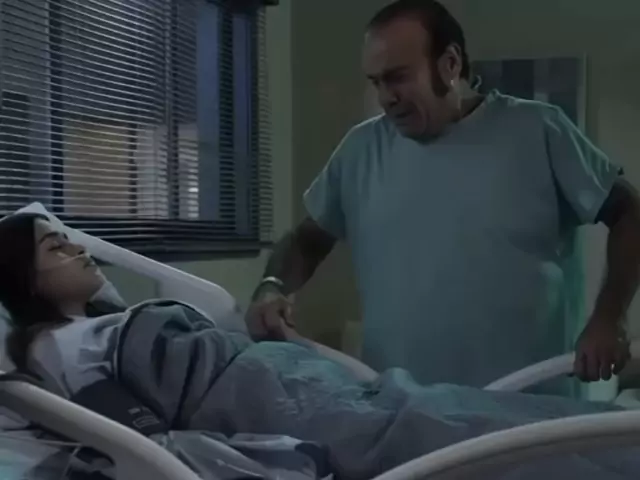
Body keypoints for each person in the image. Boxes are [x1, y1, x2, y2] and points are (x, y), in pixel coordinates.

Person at [1, 212, 640, 480]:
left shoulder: (106, 323)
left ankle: (620, 434)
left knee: (457, 409)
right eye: (56, 247)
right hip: (270, 403)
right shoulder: (55, 347)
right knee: (454, 431)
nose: (78, 247)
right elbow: (140, 444)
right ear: (24, 280)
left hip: (288, 378)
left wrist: (283, 341)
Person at [246, 0, 640, 395]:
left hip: (530, 408)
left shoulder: (540, 129)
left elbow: (630, 212)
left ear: (450, 64)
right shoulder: (360, 151)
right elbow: (307, 240)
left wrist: (611, 316)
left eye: (398, 78)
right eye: (376, 82)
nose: (386, 97)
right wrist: (273, 284)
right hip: (405, 411)